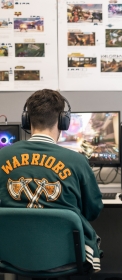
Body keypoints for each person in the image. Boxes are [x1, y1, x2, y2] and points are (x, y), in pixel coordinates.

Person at [0, 89, 103, 271]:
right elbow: (93, 211)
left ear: (26, 120)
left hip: (12, 254)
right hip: (66, 256)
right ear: (63, 121)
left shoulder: (2, 156)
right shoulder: (77, 161)